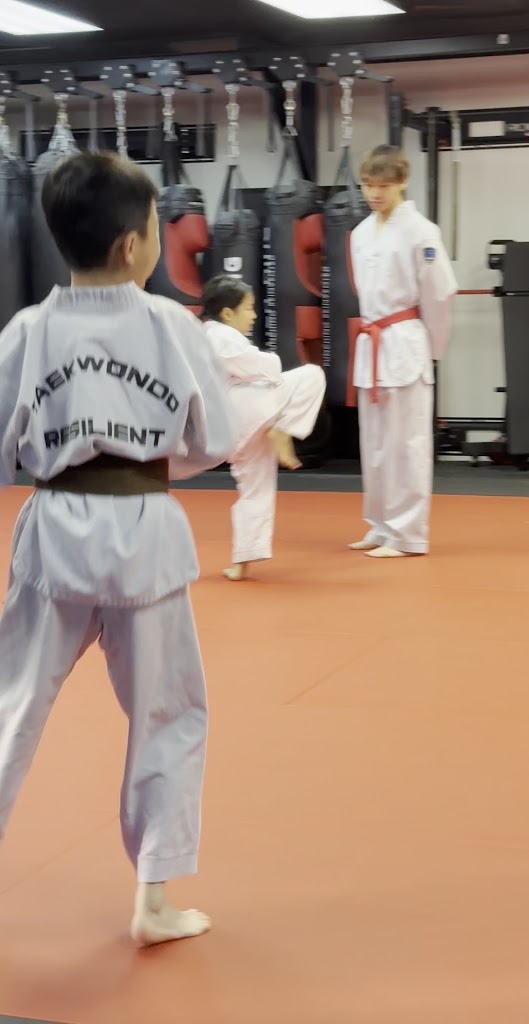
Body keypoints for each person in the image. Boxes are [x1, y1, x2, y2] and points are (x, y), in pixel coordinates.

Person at [0, 152, 237, 947]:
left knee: (10, 707)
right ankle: (154, 898)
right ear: (135, 243)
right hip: (145, 535)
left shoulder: (28, 331)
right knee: (167, 713)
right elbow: (215, 437)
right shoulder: (173, 326)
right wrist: (148, 459)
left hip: (54, 532)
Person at [349, 144, 458, 558]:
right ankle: (380, 525)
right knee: (374, 443)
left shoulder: (421, 231)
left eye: (384, 185)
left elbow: (439, 293)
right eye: (368, 185)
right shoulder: (360, 232)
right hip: (372, 343)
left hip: (405, 341)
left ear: (402, 182)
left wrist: (433, 347)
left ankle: (408, 534)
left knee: (407, 444)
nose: (375, 193)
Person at [202, 275, 325, 581]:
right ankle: (283, 429)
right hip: (245, 412)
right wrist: (269, 366)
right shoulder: (217, 337)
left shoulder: (212, 336)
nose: (254, 315)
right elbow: (264, 367)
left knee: (255, 487)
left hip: (239, 426)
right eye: (248, 308)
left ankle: (241, 561)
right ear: (227, 313)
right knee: (312, 375)